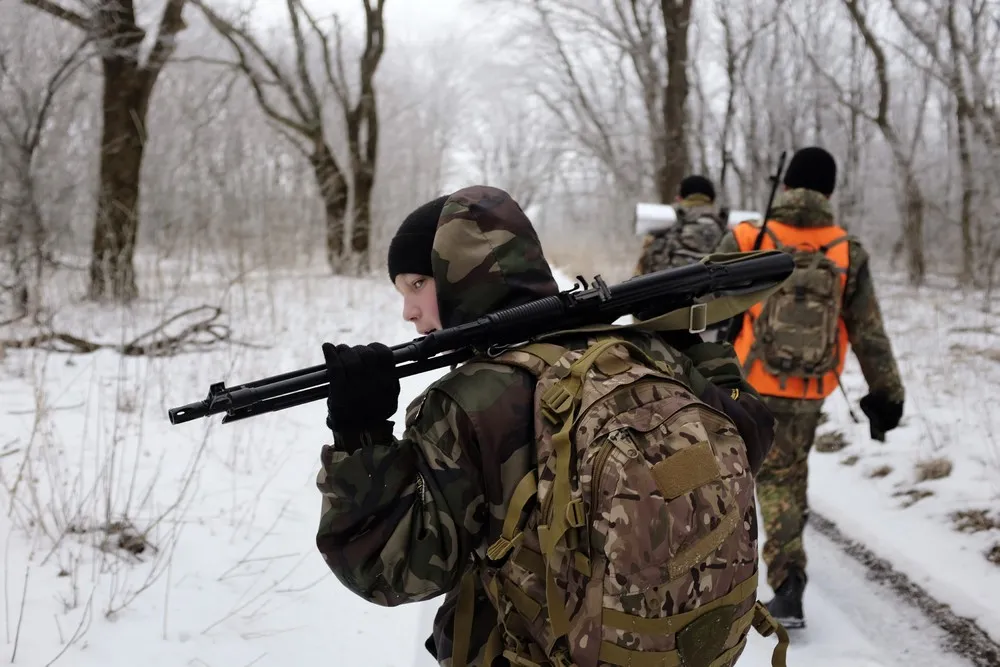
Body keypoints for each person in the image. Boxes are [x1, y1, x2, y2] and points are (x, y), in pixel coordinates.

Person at [314, 185, 779, 666]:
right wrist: (691, 343)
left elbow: (391, 569)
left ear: (461, 274)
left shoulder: (468, 404)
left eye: (416, 285)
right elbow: (751, 434)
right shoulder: (638, 349)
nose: (408, 311)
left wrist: (360, 437)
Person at [714, 146, 906, 629]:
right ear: (830, 192)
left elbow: (699, 301)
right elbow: (870, 333)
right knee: (787, 475)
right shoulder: (846, 249)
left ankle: (768, 582)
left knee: (745, 474)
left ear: (785, 188)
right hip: (810, 388)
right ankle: (786, 572)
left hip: (748, 384)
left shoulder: (748, 236)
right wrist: (888, 396)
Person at [634, 174, 730, 277]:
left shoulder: (664, 225)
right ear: (712, 200)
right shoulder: (730, 229)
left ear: (679, 198)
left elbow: (640, 276)